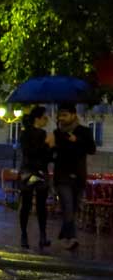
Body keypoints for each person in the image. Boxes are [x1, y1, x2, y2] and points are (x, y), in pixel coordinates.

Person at [53, 101, 96, 250]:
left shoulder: (84, 131)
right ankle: (72, 238)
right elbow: (55, 152)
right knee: (68, 205)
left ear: (73, 115)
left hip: (78, 175)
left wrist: (77, 140)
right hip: (62, 176)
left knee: (74, 208)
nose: (62, 118)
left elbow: (92, 149)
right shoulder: (57, 133)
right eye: (60, 116)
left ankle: (64, 233)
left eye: (65, 115)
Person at [18, 106, 54, 249]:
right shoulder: (31, 134)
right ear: (38, 119)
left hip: (31, 172)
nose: (47, 120)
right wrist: (47, 145)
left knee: (32, 205)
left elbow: (45, 156)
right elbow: (33, 153)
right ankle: (37, 235)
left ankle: (30, 235)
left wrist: (49, 146)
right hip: (34, 172)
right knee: (35, 205)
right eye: (45, 117)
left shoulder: (33, 134)